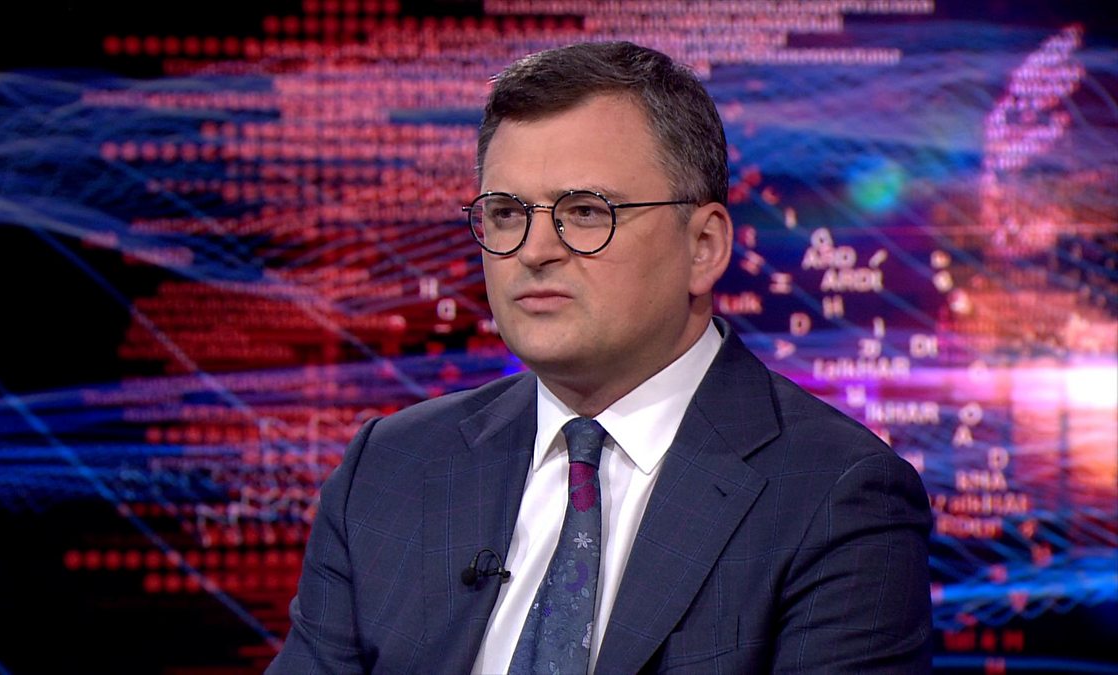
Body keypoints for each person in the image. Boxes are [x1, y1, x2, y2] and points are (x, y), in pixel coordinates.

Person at [268, 41, 932, 674]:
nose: (534, 251)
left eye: (585, 211)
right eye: (506, 213)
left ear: (703, 246)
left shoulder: (837, 495)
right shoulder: (390, 467)